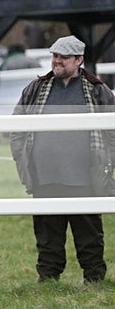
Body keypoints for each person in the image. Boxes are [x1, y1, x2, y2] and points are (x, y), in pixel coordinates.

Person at [10, 35, 114, 283]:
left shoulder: (97, 90)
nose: (57, 61)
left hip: (86, 177)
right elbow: (16, 129)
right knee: (47, 234)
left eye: (64, 57)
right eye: (55, 56)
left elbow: (112, 132)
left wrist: (108, 168)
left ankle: (94, 279)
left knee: (89, 234)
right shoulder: (35, 89)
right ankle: (48, 279)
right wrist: (23, 162)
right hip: (44, 176)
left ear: (78, 60)